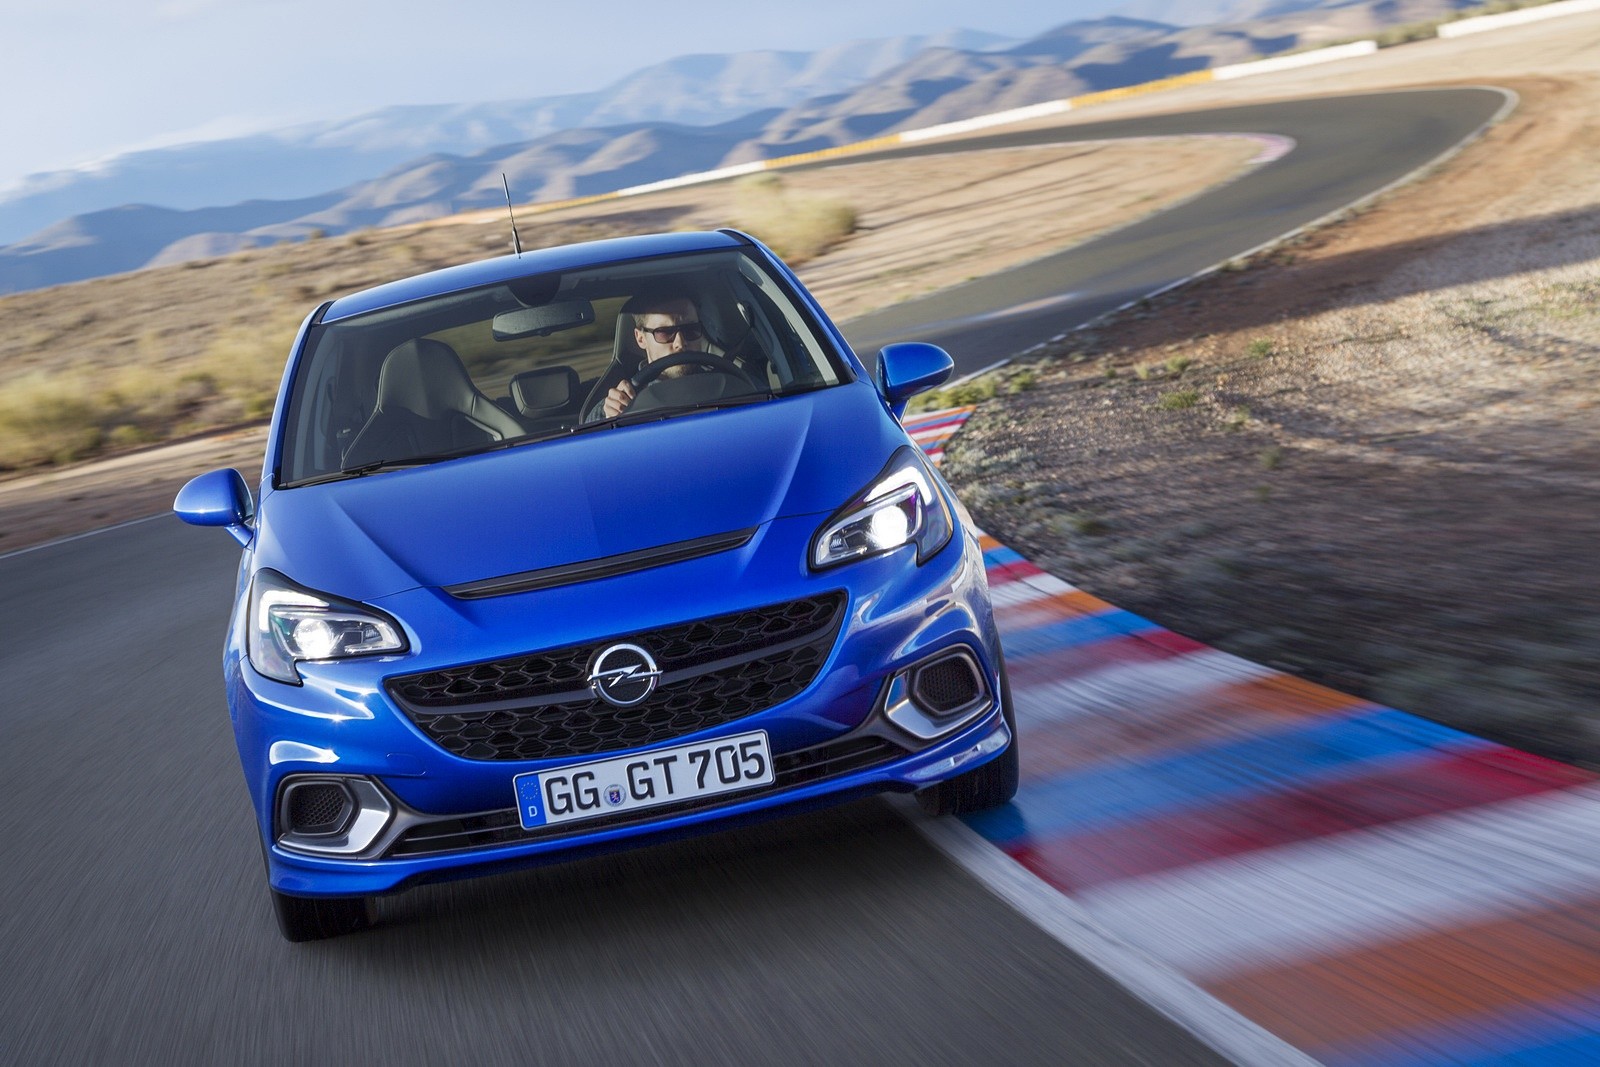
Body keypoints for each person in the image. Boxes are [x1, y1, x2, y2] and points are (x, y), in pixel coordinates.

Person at [596, 291, 708, 419]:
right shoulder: (620, 404)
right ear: (640, 339)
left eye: (690, 329)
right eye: (665, 332)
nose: (680, 343)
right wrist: (610, 418)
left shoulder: (724, 384)